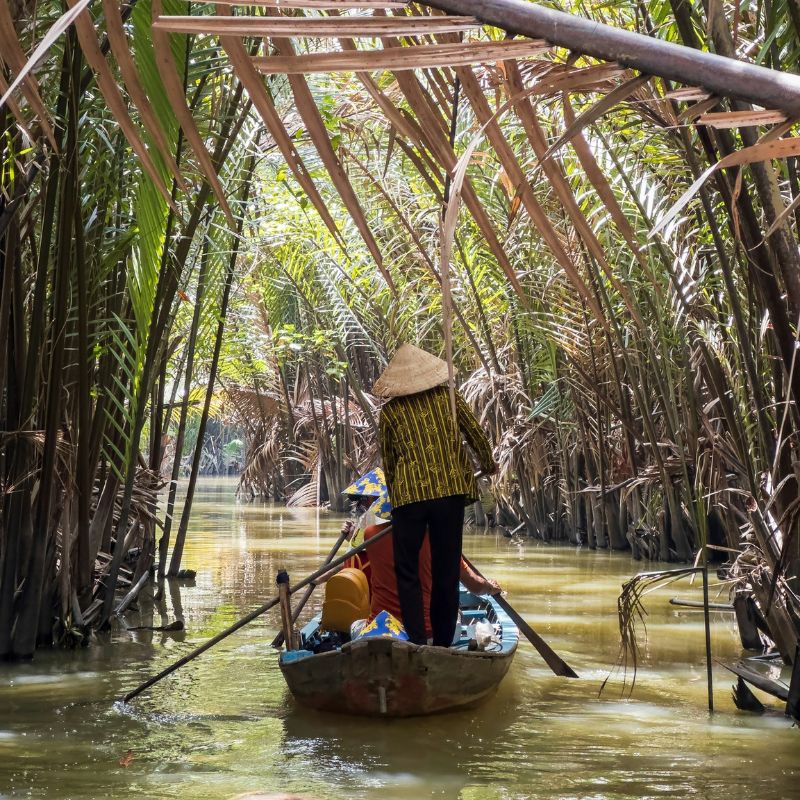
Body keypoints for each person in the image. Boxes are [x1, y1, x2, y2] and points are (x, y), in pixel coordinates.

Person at [373, 343, 498, 646]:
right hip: (449, 494)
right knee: (446, 570)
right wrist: (489, 464)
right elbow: (476, 435)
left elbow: (389, 461)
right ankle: (442, 643)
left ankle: (417, 641)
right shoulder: (449, 399)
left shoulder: (390, 412)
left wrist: (397, 493)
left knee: (407, 571)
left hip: (410, 499)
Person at [363, 510, 501, 642]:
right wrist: (489, 587)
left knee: (356, 625)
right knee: (455, 613)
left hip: (379, 631)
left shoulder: (371, 534)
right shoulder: (441, 542)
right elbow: (475, 586)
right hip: (426, 635)